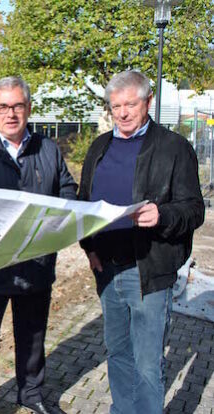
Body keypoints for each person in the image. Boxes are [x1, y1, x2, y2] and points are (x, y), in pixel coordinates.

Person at [78, 70, 205, 413]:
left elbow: (194, 210)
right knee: (118, 354)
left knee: (148, 364)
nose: (122, 113)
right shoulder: (99, 147)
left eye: (130, 104)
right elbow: (84, 201)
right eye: (115, 105)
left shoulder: (174, 148)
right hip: (106, 271)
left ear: (148, 102)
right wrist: (89, 248)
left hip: (147, 270)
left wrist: (161, 216)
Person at [0, 77, 76, 414]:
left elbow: (67, 191)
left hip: (35, 265)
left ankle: (32, 395)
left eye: (17, 106)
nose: (10, 113)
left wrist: (57, 216)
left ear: (28, 109)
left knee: (32, 336)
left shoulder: (47, 149)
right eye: (3, 107)